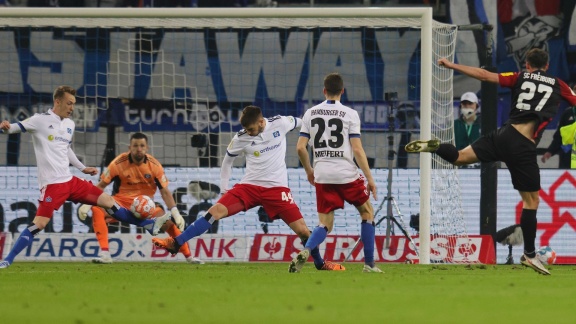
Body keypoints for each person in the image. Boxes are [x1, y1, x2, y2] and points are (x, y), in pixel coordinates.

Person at [405, 48, 576, 275]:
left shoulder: (519, 77)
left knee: (459, 157)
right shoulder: (558, 84)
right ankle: (530, 254)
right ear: (547, 66)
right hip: (523, 145)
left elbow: (485, 76)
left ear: (527, 64)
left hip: (503, 135)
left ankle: (437, 146)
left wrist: (452, 65)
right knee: (531, 201)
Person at [152, 105, 345, 271]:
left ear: (261, 122)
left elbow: (302, 122)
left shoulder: (280, 123)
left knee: (303, 231)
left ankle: (320, 264)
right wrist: (225, 190)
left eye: (252, 129)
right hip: (249, 186)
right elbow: (227, 161)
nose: (249, 132)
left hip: (277, 189)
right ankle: (176, 243)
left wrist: (315, 137)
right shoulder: (241, 137)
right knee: (214, 212)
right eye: (247, 129)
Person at [0, 86, 171, 269]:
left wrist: (82, 168)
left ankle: (148, 225)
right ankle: (7, 259)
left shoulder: (69, 124)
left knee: (109, 202)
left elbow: (66, 149)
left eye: (73, 104)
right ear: (57, 102)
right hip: (53, 185)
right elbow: (13, 129)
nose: (72, 107)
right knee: (39, 224)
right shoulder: (39, 121)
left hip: (71, 181)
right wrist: (5, 128)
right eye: (69, 103)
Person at [290, 72, 382, 273]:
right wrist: (370, 179)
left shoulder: (310, 113)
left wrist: (309, 171)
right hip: (346, 174)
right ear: (342, 91)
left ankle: (306, 250)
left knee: (324, 224)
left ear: (324, 91)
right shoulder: (350, 114)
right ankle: (369, 264)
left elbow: (300, 148)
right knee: (367, 213)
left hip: (322, 174)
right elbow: (357, 149)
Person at [78, 132, 204, 264]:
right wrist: (87, 203)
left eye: (142, 145)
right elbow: (102, 185)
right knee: (97, 209)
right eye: (135, 145)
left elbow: (165, 192)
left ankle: (189, 257)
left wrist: (175, 212)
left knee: (169, 223)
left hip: (147, 207)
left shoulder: (154, 165)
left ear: (147, 147)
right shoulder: (118, 163)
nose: (139, 149)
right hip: (121, 203)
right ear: (129, 147)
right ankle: (105, 254)